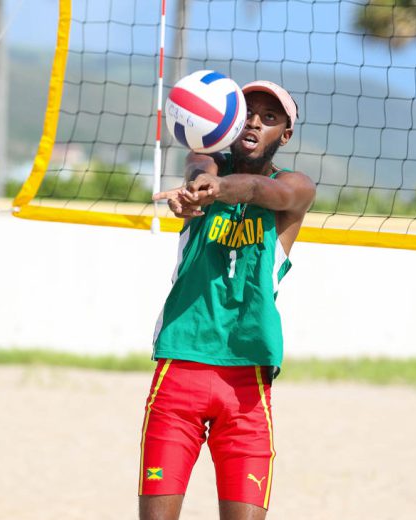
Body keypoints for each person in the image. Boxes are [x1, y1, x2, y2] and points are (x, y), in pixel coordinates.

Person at [139, 80, 316, 520]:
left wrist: (215, 191)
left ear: (285, 135)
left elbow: (261, 192)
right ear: (233, 121)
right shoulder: (204, 167)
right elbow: (199, 166)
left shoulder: (295, 188)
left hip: (248, 385)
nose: (255, 122)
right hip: (181, 367)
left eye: (270, 117)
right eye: (249, 113)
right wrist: (199, 187)